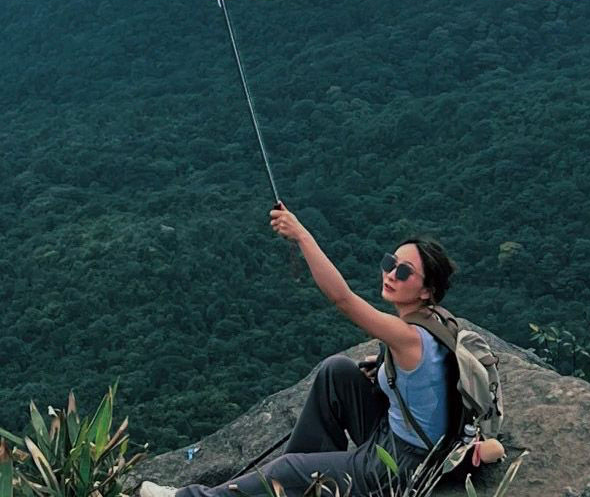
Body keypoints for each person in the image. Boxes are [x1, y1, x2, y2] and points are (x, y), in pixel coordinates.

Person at [140, 204, 457, 497]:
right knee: (337, 372)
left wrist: (301, 235)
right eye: (390, 263)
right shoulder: (435, 322)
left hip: (399, 466)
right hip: (393, 435)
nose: (390, 274)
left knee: (284, 470)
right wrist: (387, 367)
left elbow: (343, 299)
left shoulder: (407, 336)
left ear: (427, 291)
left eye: (403, 272)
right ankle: (301, 484)